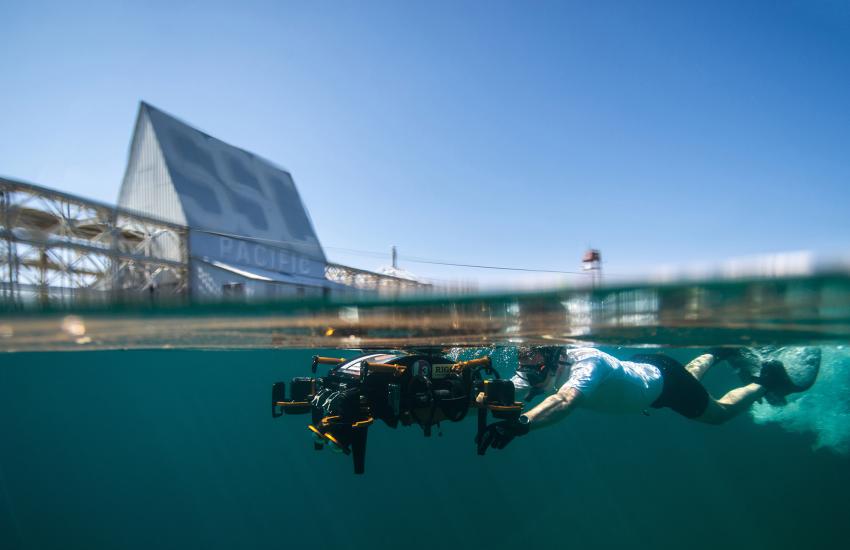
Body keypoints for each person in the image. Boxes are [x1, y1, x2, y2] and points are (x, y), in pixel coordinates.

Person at [476, 346, 811, 453]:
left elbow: (566, 400)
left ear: (551, 356)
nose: (526, 370)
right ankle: (719, 352)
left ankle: (768, 380)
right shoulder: (534, 370)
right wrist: (469, 394)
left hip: (664, 384)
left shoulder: (587, 361)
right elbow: (504, 390)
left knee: (717, 413)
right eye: (523, 362)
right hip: (649, 372)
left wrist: (521, 425)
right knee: (688, 377)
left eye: (532, 361)